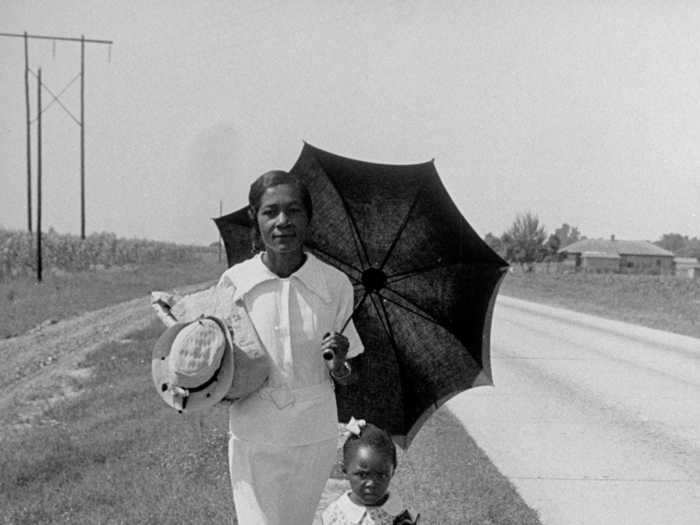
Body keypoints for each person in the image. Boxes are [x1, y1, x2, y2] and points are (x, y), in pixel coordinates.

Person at [213, 170, 365, 525]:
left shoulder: (334, 284)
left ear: (308, 218)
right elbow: (220, 368)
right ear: (256, 219)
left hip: (311, 436)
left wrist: (339, 363)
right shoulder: (235, 283)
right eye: (271, 212)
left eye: (294, 211)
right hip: (253, 433)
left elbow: (350, 375)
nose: (283, 222)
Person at [322, 418, 418, 525]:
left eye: (381, 475)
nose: (371, 483)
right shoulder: (335, 514)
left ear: (392, 472)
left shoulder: (402, 514)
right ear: (345, 469)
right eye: (362, 474)